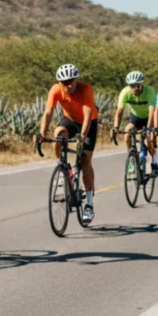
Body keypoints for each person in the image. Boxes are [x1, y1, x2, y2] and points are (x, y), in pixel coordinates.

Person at [37, 64, 99, 224]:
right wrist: (42, 133)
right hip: (70, 120)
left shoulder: (86, 89)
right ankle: (64, 169)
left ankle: (89, 205)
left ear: (76, 80)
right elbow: (48, 113)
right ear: (60, 83)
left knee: (85, 162)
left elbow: (87, 117)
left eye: (71, 81)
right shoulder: (56, 90)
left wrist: (82, 137)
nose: (68, 85)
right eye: (64, 82)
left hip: (88, 124)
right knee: (58, 135)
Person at [112, 70, 158, 177]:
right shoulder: (125, 92)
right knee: (127, 134)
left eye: (137, 85)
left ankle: (155, 161)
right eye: (131, 86)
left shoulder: (149, 91)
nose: (134, 88)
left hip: (149, 118)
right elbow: (119, 111)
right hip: (136, 118)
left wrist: (148, 129)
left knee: (148, 142)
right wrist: (115, 127)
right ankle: (132, 158)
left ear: (142, 84)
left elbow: (152, 111)